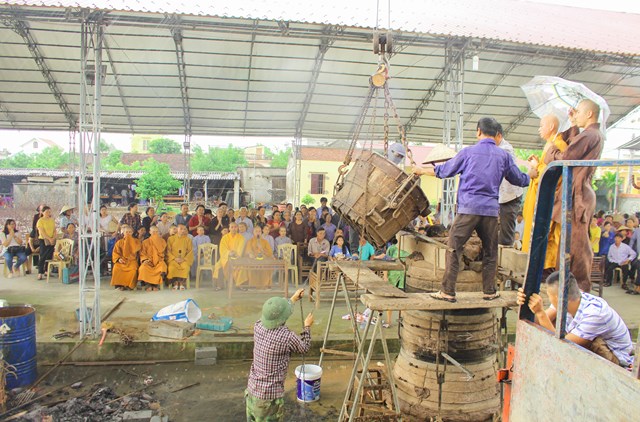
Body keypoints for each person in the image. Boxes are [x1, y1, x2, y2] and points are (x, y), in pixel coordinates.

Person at [416, 117, 530, 302]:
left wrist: (421, 170)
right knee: (490, 251)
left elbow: (445, 171)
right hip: (490, 212)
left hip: (468, 209)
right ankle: (489, 291)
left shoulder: (468, 152)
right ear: (497, 134)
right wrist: (530, 175)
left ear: (478, 131)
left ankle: (447, 291)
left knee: (454, 248)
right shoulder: (504, 156)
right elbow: (519, 179)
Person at [544, 99, 605, 292]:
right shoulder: (589, 135)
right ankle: (567, 286)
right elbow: (574, 147)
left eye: (578, 112)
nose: (575, 114)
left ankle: (579, 290)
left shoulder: (591, 134)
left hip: (578, 194)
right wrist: (572, 124)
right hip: (576, 193)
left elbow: (567, 156)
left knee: (577, 246)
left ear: (589, 114)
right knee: (568, 243)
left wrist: (551, 151)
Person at [517, 271, 633, 367]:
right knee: (552, 322)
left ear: (559, 298)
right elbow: (539, 321)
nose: (549, 299)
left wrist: (540, 313)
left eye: (549, 296)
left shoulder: (595, 314)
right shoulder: (571, 298)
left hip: (616, 358)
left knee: (591, 343)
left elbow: (562, 347)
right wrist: (528, 304)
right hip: (590, 344)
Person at [245, 289, 312, 421]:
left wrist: (293, 299)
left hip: (252, 392)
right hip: (269, 399)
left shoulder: (258, 326)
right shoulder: (286, 337)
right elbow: (304, 348)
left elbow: (276, 315)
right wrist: (307, 327)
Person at [521, 114, 568, 253]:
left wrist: (536, 166)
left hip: (547, 203)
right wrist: (537, 163)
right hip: (538, 200)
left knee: (544, 243)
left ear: (551, 127)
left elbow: (553, 176)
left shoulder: (559, 145)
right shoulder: (550, 144)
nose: (539, 129)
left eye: (542, 126)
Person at [496, 128, 524, 246]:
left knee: (505, 235)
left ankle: (505, 253)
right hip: (499, 196)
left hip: (510, 196)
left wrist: (527, 178)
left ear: (498, 135)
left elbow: (515, 176)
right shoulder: (494, 148)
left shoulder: (505, 150)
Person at [213, 222, 245, 291]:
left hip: (237, 258)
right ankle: (220, 285)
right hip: (226, 258)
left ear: (237, 228)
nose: (234, 229)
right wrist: (229, 253)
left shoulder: (241, 237)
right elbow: (222, 248)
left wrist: (235, 254)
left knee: (241, 267)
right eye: (232, 227)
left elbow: (240, 248)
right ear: (229, 228)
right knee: (218, 266)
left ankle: (240, 285)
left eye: (235, 227)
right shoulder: (225, 237)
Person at [111, 226, 141, 291]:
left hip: (132, 261)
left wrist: (130, 242)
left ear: (132, 233)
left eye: (129, 232)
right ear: (123, 233)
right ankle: (119, 285)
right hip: (122, 261)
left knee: (133, 270)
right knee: (116, 268)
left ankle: (130, 286)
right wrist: (119, 259)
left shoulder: (136, 241)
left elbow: (136, 249)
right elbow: (115, 253)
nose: (128, 234)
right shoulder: (119, 242)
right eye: (126, 232)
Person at [137, 226, 167, 291]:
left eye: (156, 232)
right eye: (153, 232)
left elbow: (163, 252)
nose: (155, 233)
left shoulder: (162, 241)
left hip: (158, 261)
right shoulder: (145, 242)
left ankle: (155, 285)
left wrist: (159, 258)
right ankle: (149, 284)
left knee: (162, 266)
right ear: (150, 232)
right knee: (143, 268)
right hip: (148, 262)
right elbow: (142, 253)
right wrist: (145, 260)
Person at [166, 224, 193, 290]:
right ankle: (175, 283)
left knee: (186, 267)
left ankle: (181, 283)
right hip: (173, 260)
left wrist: (184, 259)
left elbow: (190, 251)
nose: (183, 230)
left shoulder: (188, 239)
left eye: (184, 229)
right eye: (181, 229)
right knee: (171, 268)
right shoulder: (171, 239)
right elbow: (168, 251)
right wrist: (174, 258)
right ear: (177, 229)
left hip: (184, 260)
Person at [36, 206, 57, 280]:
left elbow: (54, 230)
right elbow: (42, 231)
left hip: (51, 240)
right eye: (47, 212)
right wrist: (48, 238)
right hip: (43, 239)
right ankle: (40, 272)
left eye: (49, 212)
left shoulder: (52, 220)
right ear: (42, 212)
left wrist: (53, 238)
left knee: (49, 256)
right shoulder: (40, 221)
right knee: (43, 256)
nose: (48, 213)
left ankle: (47, 271)